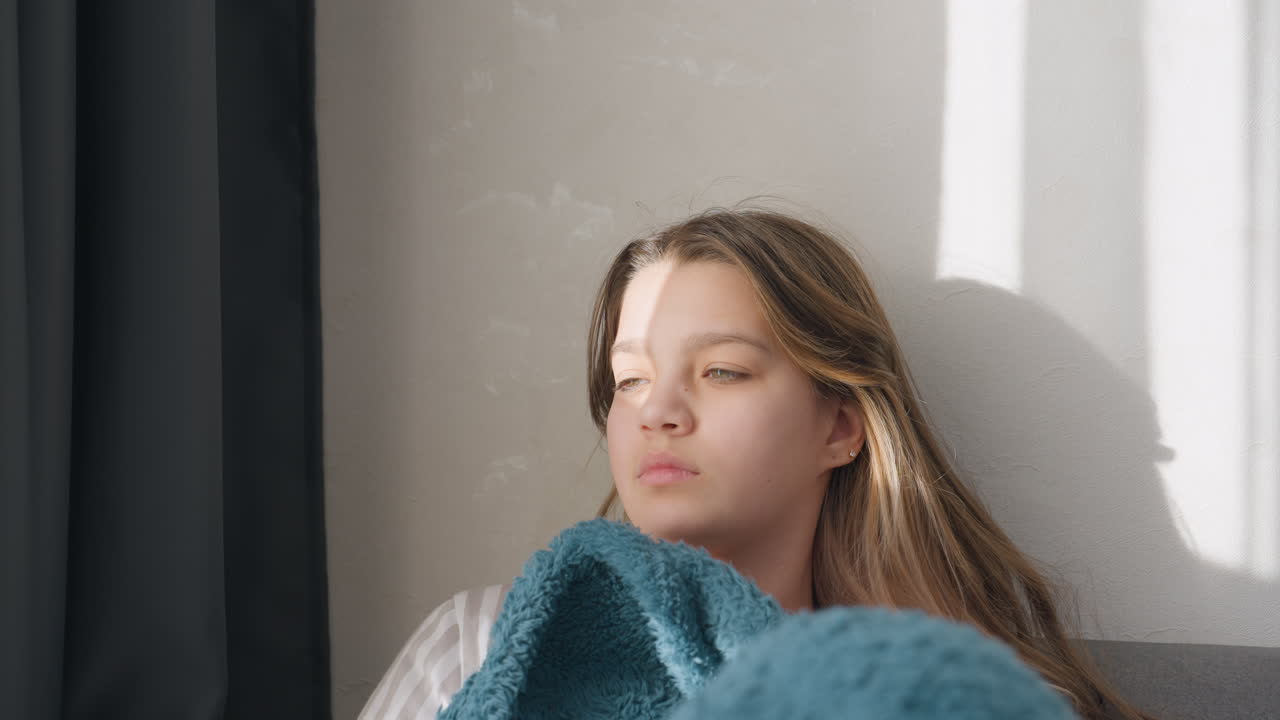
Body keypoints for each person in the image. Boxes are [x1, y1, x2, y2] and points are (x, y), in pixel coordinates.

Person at [360, 203, 1154, 720]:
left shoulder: (951, 697)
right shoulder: (478, 643)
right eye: (630, 380)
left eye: (722, 371)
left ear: (840, 427)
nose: (658, 411)